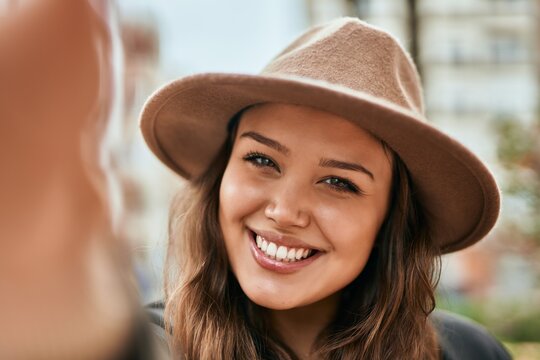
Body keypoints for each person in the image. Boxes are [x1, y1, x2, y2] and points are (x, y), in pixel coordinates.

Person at [138, 17, 512, 359]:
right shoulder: (140, 347)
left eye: (338, 182)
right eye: (262, 161)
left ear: (391, 218)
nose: (284, 212)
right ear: (222, 173)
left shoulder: (471, 352)